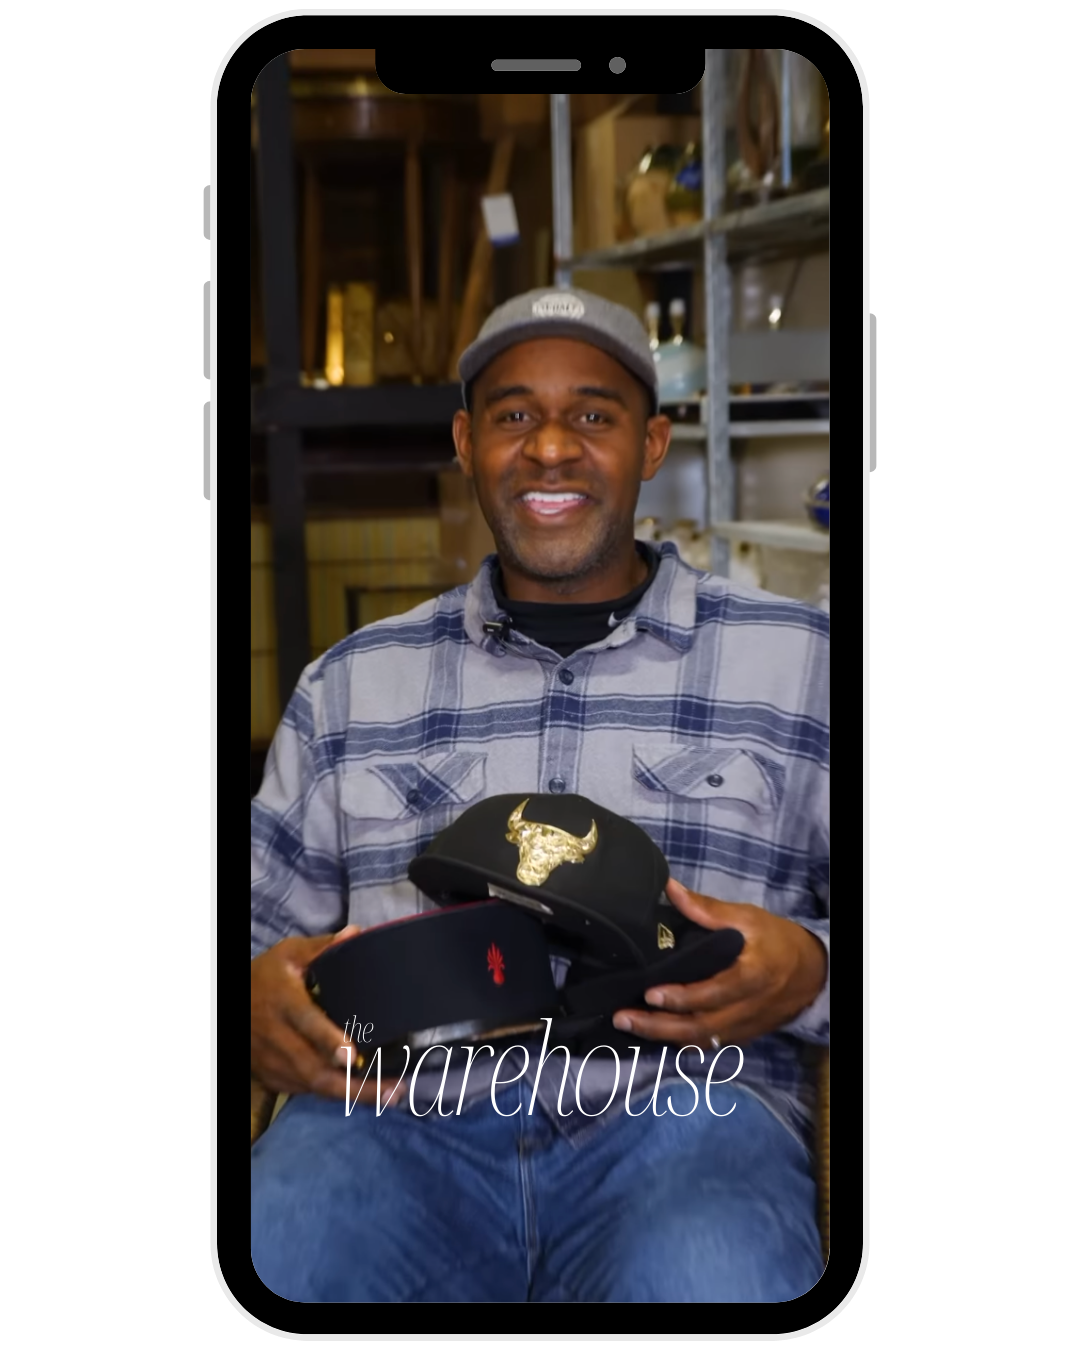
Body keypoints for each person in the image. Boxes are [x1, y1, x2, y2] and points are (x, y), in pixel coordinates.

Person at [250, 287, 829, 1303]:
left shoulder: (807, 663)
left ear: (652, 444)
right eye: (515, 415)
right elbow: (253, 940)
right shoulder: (347, 682)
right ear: (468, 443)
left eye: (592, 415)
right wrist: (248, 1000)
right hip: (387, 1119)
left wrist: (814, 970)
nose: (551, 447)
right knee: (274, 1256)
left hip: (690, 1120)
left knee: (716, 1280)